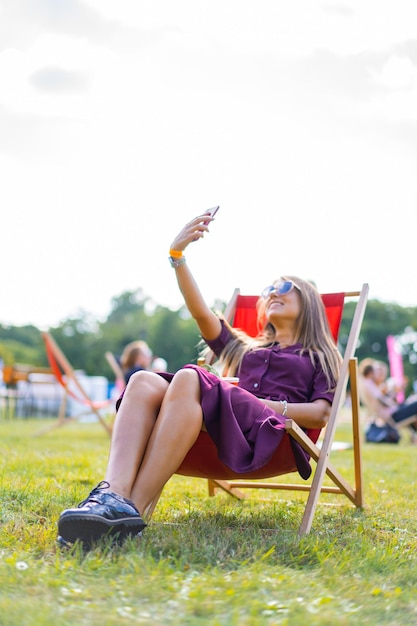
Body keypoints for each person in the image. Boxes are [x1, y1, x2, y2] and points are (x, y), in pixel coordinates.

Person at [57, 210, 343, 548]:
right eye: (268, 289)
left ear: (308, 300)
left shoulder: (319, 355)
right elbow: (201, 313)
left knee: (191, 377)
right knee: (144, 381)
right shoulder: (243, 348)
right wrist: (177, 257)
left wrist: (263, 405)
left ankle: (128, 508)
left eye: (284, 287)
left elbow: (322, 414)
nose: (272, 292)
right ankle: (112, 496)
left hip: (271, 437)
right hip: (222, 424)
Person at [359, 359, 417, 443]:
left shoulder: (367, 384)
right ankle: (414, 437)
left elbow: (381, 399)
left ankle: (414, 437)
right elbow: (381, 400)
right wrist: (393, 404)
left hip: (391, 414)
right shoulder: (369, 384)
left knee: (412, 405)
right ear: (371, 373)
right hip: (392, 416)